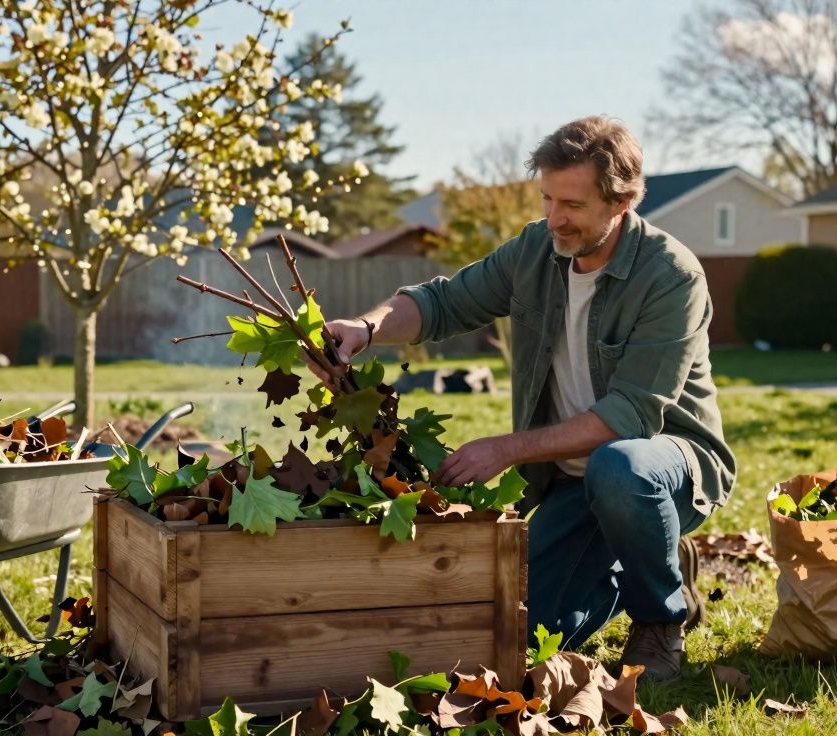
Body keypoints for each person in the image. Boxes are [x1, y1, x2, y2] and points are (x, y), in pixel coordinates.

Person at [313, 116, 736, 682]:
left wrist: (506, 449)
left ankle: (660, 620)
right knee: (521, 632)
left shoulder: (670, 276)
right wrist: (365, 329)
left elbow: (630, 417)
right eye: (547, 198)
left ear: (622, 201)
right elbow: (442, 304)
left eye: (574, 205)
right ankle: (654, 559)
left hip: (662, 464)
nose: (555, 218)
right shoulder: (537, 250)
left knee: (620, 465)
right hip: (571, 479)